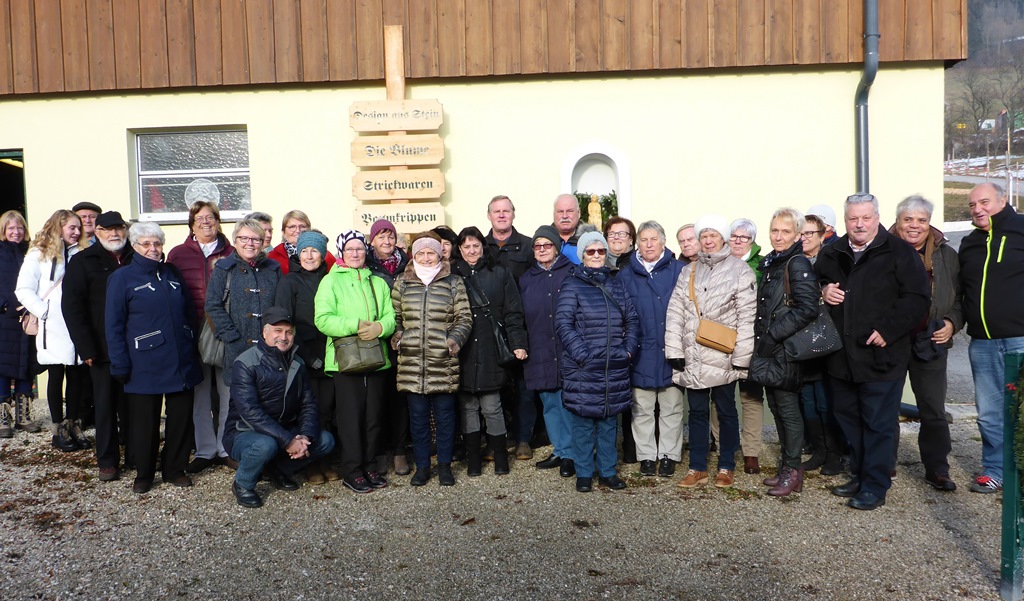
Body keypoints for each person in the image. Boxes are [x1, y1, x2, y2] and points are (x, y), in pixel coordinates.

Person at [816, 193, 929, 510]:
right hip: (841, 357)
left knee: (878, 424)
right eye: (853, 218)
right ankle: (861, 474)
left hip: (881, 356)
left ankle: (875, 486)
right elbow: (817, 279)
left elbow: (918, 299)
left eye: (866, 217)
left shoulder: (899, 253)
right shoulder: (833, 251)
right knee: (849, 420)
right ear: (846, 220)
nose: (859, 224)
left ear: (877, 218)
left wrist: (889, 330)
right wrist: (824, 289)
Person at [105, 222, 202, 494]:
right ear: (134, 246)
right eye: (146, 244)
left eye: (157, 243)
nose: (153, 249)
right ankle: (144, 474)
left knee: (181, 418)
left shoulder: (171, 272)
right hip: (143, 364)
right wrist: (119, 362)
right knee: (145, 423)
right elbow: (113, 325)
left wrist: (192, 342)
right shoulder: (122, 278)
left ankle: (174, 468)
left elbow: (189, 312)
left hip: (180, 360)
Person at [665, 215, 756, 489]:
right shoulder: (688, 271)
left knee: (727, 410)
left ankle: (726, 465)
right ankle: (698, 467)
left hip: (722, 354)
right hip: (693, 354)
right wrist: (673, 349)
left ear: (723, 238)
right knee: (697, 412)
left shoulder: (740, 270)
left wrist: (741, 359)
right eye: (703, 235)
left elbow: (746, 317)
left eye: (712, 235)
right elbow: (675, 311)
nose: (707, 239)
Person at [224, 307, 336, 508]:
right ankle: (243, 484)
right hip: (244, 432)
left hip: (284, 430)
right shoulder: (246, 363)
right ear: (264, 333)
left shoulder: (298, 363)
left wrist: (304, 436)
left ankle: (277, 470)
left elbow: (308, 405)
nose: (283, 337)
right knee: (265, 445)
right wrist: (287, 441)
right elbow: (249, 411)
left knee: (325, 440)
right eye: (277, 331)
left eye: (288, 332)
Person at [555, 231, 639, 492]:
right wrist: (582, 354)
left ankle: (608, 471)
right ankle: (583, 472)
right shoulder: (572, 284)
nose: (596, 255)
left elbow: (632, 320)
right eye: (590, 251)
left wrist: (627, 351)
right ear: (582, 255)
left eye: (600, 251)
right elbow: (563, 323)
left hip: (613, 363)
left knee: (608, 422)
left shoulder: (616, 283)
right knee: (582, 422)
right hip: (584, 366)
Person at [313, 230, 396, 493]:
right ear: (342, 253)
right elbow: (323, 319)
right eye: (350, 249)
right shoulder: (330, 282)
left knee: (373, 417)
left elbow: (391, 316)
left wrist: (381, 328)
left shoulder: (378, 282)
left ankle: (370, 466)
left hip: (375, 358)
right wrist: (355, 325)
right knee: (350, 418)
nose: (356, 253)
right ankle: (352, 470)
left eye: (359, 248)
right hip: (345, 361)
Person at [890, 195, 962, 492]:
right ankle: (884, 464)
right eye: (908, 220)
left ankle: (937, 468)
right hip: (891, 341)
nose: (915, 226)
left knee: (933, 408)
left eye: (921, 220)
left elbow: (960, 298)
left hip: (931, 339)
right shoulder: (884, 251)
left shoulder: (946, 255)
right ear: (899, 222)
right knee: (885, 406)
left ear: (928, 223)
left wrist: (951, 323)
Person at [747, 208, 819, 496]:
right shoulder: (774, 262)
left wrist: (772, 335)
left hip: (784, 349)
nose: (778, 236)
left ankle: (793, 471)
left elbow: (807, 308)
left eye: (785, 231)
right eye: (775, 230)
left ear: (797, 234)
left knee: (788, 410)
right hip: (770, 348)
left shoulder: (797, 262)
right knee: (777, 406)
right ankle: (787, 469)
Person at [391, 235, 472, 487]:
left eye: (431, 253)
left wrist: (453, 341)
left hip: (443, 361)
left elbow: (464, 318)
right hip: (412, 362)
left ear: (440, 255)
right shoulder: (402, 282)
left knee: (446, 417)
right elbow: (394, 316)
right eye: (421, 253)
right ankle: (423, 467)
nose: (426, 258)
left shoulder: (453, 282)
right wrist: (399, 336)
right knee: (418, 418)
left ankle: (445, 466)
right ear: (413, 256)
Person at [958, 182, 1024, 494]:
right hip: (982, 342)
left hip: (1020, 339)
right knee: (989, 413)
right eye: (972, 205)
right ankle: (995, 470)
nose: (977, 209)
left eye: (984, 202)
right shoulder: (970, 243)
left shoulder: (1021, 229)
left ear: (1003, 200)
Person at [62, 211, 135, 481]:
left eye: (119, 229)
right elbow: (72, 307)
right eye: (108, 230)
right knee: (104, 408)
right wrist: (86, 348)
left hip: (135, 347)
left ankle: (136, 454)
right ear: (98, 232)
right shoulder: (83, 262)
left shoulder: (136, 257)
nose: (114, 234)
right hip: (101, 350)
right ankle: (108, 461)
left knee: (134, 405)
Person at [166, 201, 237, 473]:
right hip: (193, 332)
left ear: (218, 222)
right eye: (199, 218)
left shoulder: (231, 252)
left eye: (210, 217)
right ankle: (206, 449)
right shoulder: (178, 254)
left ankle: (225, 447)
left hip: (225, 331)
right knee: (199, 394)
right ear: (191, 224)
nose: (205, 222)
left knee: (228, 393)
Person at [453, 226, 528, 476]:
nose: (472, 251)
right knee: (467, 407)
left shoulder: (499, 272)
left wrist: (518, 343)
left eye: (476, 246)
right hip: (463, 349)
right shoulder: (453, 275)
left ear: (483, 247)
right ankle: (474, 458)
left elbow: (513, 312)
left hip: (490, 346)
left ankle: (500, 457)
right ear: (460, 250)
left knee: (492, 405)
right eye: (466, 247)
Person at [205, 218, 282, 455]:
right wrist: (232, 337)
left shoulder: (273, 269)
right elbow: (213, 305)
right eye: (244, 238)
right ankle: (235, 452)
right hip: (237, 348)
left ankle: (270, 452)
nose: (250, 243)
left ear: (262, 242)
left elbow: (280, 307)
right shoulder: (223, 269)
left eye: (255, 239)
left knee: (269, 403)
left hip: (270, 350)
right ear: (235, 240)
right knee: (236, 405)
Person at [16, 209, 87, 452]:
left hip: (76, 324)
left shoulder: (81, 253)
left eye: (79, 228)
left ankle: (73, 424)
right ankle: (58, 430)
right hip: (53, 326)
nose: (78, 232)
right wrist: (44, 312)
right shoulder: (39, 254)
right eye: (72, 228)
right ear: (59, 228)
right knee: (56, 375)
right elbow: (23, 289)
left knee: (77, 375)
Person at [620, 221, 685, 477]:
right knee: (642, 408)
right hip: (641, 351)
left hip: (671, 349)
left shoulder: (680, 270)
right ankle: (647, 455)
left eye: (653, 239)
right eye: (644, 240)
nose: (648, 244)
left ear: (663, 242)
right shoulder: (626, 275)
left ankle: (668, 454)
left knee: (671, 407)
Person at [274, 230, 339, 485]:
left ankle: (327, 458)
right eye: (304, 251)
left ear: (322, 255)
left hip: (332, 354)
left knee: (330, 410)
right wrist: (306, 356)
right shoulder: (289, 282)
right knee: (310, 411)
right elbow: (285, 321)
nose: (309, 256)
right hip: (304, 357)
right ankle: (310, 463)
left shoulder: (331, 278)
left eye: (314, 251)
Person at [483, 196, 538, 460]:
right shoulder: (480, 247)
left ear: (513, 215)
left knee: (524, 387)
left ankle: (523, 439)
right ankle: (498, 439)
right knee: (496, 387)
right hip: (489, 330)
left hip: (522, 325)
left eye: (506, 211)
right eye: (497, 211)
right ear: (489, 216)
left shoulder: (528, 246)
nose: (502, 215)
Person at [520, 225, 575, 477]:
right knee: (550, 403)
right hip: (540, 347)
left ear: (556, 247)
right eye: (537, 246)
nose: (542, 250)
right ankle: (560, 449)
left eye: (547, 245)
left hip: (568, 348)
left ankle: (573, 453)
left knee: (569, 401)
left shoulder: (572, 272)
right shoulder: (526, 279)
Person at [717, 217, 765, 473]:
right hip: (720, 339)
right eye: (733, 236)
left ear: (752, 241)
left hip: (752, 340)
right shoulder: (718, 263)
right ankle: (720, 443)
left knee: (750, 397)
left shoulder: (762, 265)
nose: (737, 241)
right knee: (720, 396)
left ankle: (751, 452)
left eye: (743, 237)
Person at [366, 218, 412, 474]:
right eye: (381, 237)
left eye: (390, 236)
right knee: (377, 400)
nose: (386, 241)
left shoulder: (407, 266)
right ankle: (380, 451)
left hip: (405, 340)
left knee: (400, 400)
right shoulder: (366, 266)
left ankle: (399, 451)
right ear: (372, 240)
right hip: (376, 339)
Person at [798, 213, 843, 475]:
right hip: (802, 340)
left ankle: (834, 452)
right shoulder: (795, 261)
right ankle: (819, 449)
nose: (804, 238)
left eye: (810, 233)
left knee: (826, 400)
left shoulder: (830, 260)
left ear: (823, 234)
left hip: (826, 338)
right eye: (801, 233)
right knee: (808, 399)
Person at [0, 210, 40, 437]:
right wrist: (2, 304)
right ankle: (3, 418)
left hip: (28, 317)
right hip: (4, 319)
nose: (16, 232)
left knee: (27, 366)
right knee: (2, 369)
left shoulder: (32, 252)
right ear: (3, 231)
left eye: (20, 228)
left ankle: (24, 416)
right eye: (11, 228)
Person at [266, 210, 336, 275]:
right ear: (283, 232)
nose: (298, 231)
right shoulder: (272, 257)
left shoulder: (325, 255)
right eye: (292, 227)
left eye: (302, 226)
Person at [553, 194, 583, 264]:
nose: (565, 216)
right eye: (560, 212)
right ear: (554, 214)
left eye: (570, 211)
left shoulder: (591, 241)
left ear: (578, 213)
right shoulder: (544, 242)